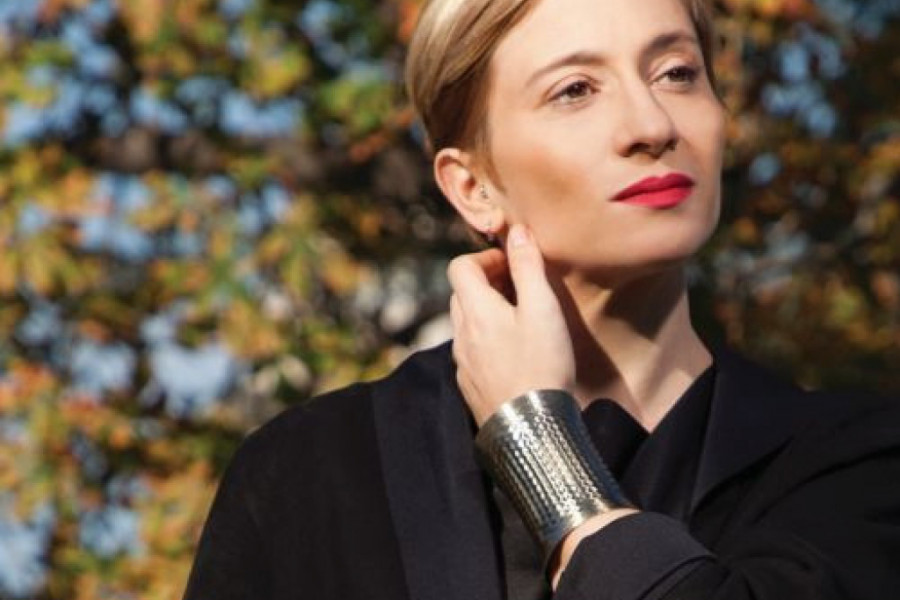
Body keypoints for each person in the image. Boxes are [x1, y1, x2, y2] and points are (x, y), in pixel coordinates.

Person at [183, 0, 900, 598]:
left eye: (677, 73)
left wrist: (540, 447)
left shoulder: (856, 464)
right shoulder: (315, 474)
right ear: (474, 187)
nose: (652, 126)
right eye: (575, 90)